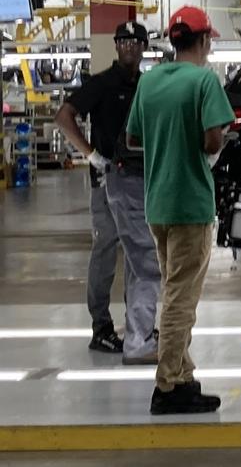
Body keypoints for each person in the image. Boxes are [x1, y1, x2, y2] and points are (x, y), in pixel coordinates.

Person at [126, 6, 234, 415]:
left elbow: (133, 139)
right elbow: (211, 141)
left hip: (157, 204)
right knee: (180, 297)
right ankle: (168, 385)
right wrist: (217, 137)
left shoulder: (149, 81)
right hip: (190, 202)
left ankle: (183, 374)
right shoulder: (205, 80)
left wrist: (165, 137)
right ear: (204, 40)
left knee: (175, 289)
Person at [55, 21, 160, 362]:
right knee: (105, 253)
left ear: (144, 47)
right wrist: (91, 154)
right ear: (116, 46)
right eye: (124, 40)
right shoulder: (101, 84)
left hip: (139, 182)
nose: (130, 46)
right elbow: (64, 116)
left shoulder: (147, 86)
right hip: (106, 183)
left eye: (136, 41)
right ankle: (101, 328)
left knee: (138, 255)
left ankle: (138, 327)